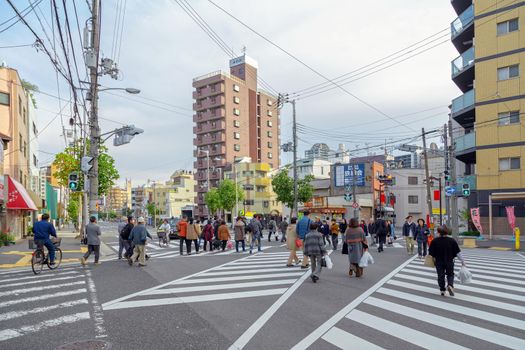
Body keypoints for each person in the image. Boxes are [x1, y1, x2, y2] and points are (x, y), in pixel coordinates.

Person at [428, 225, 465, 296]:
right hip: (449, 261)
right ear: (447, 232)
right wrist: (462, 261)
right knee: (450, 274)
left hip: (438, 262)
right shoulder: (452, 240)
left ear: (439, 232)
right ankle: (450, 285)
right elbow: (458, 252)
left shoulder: (435, 241)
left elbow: (431, 253)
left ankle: (442, 290)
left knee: (440, 276)